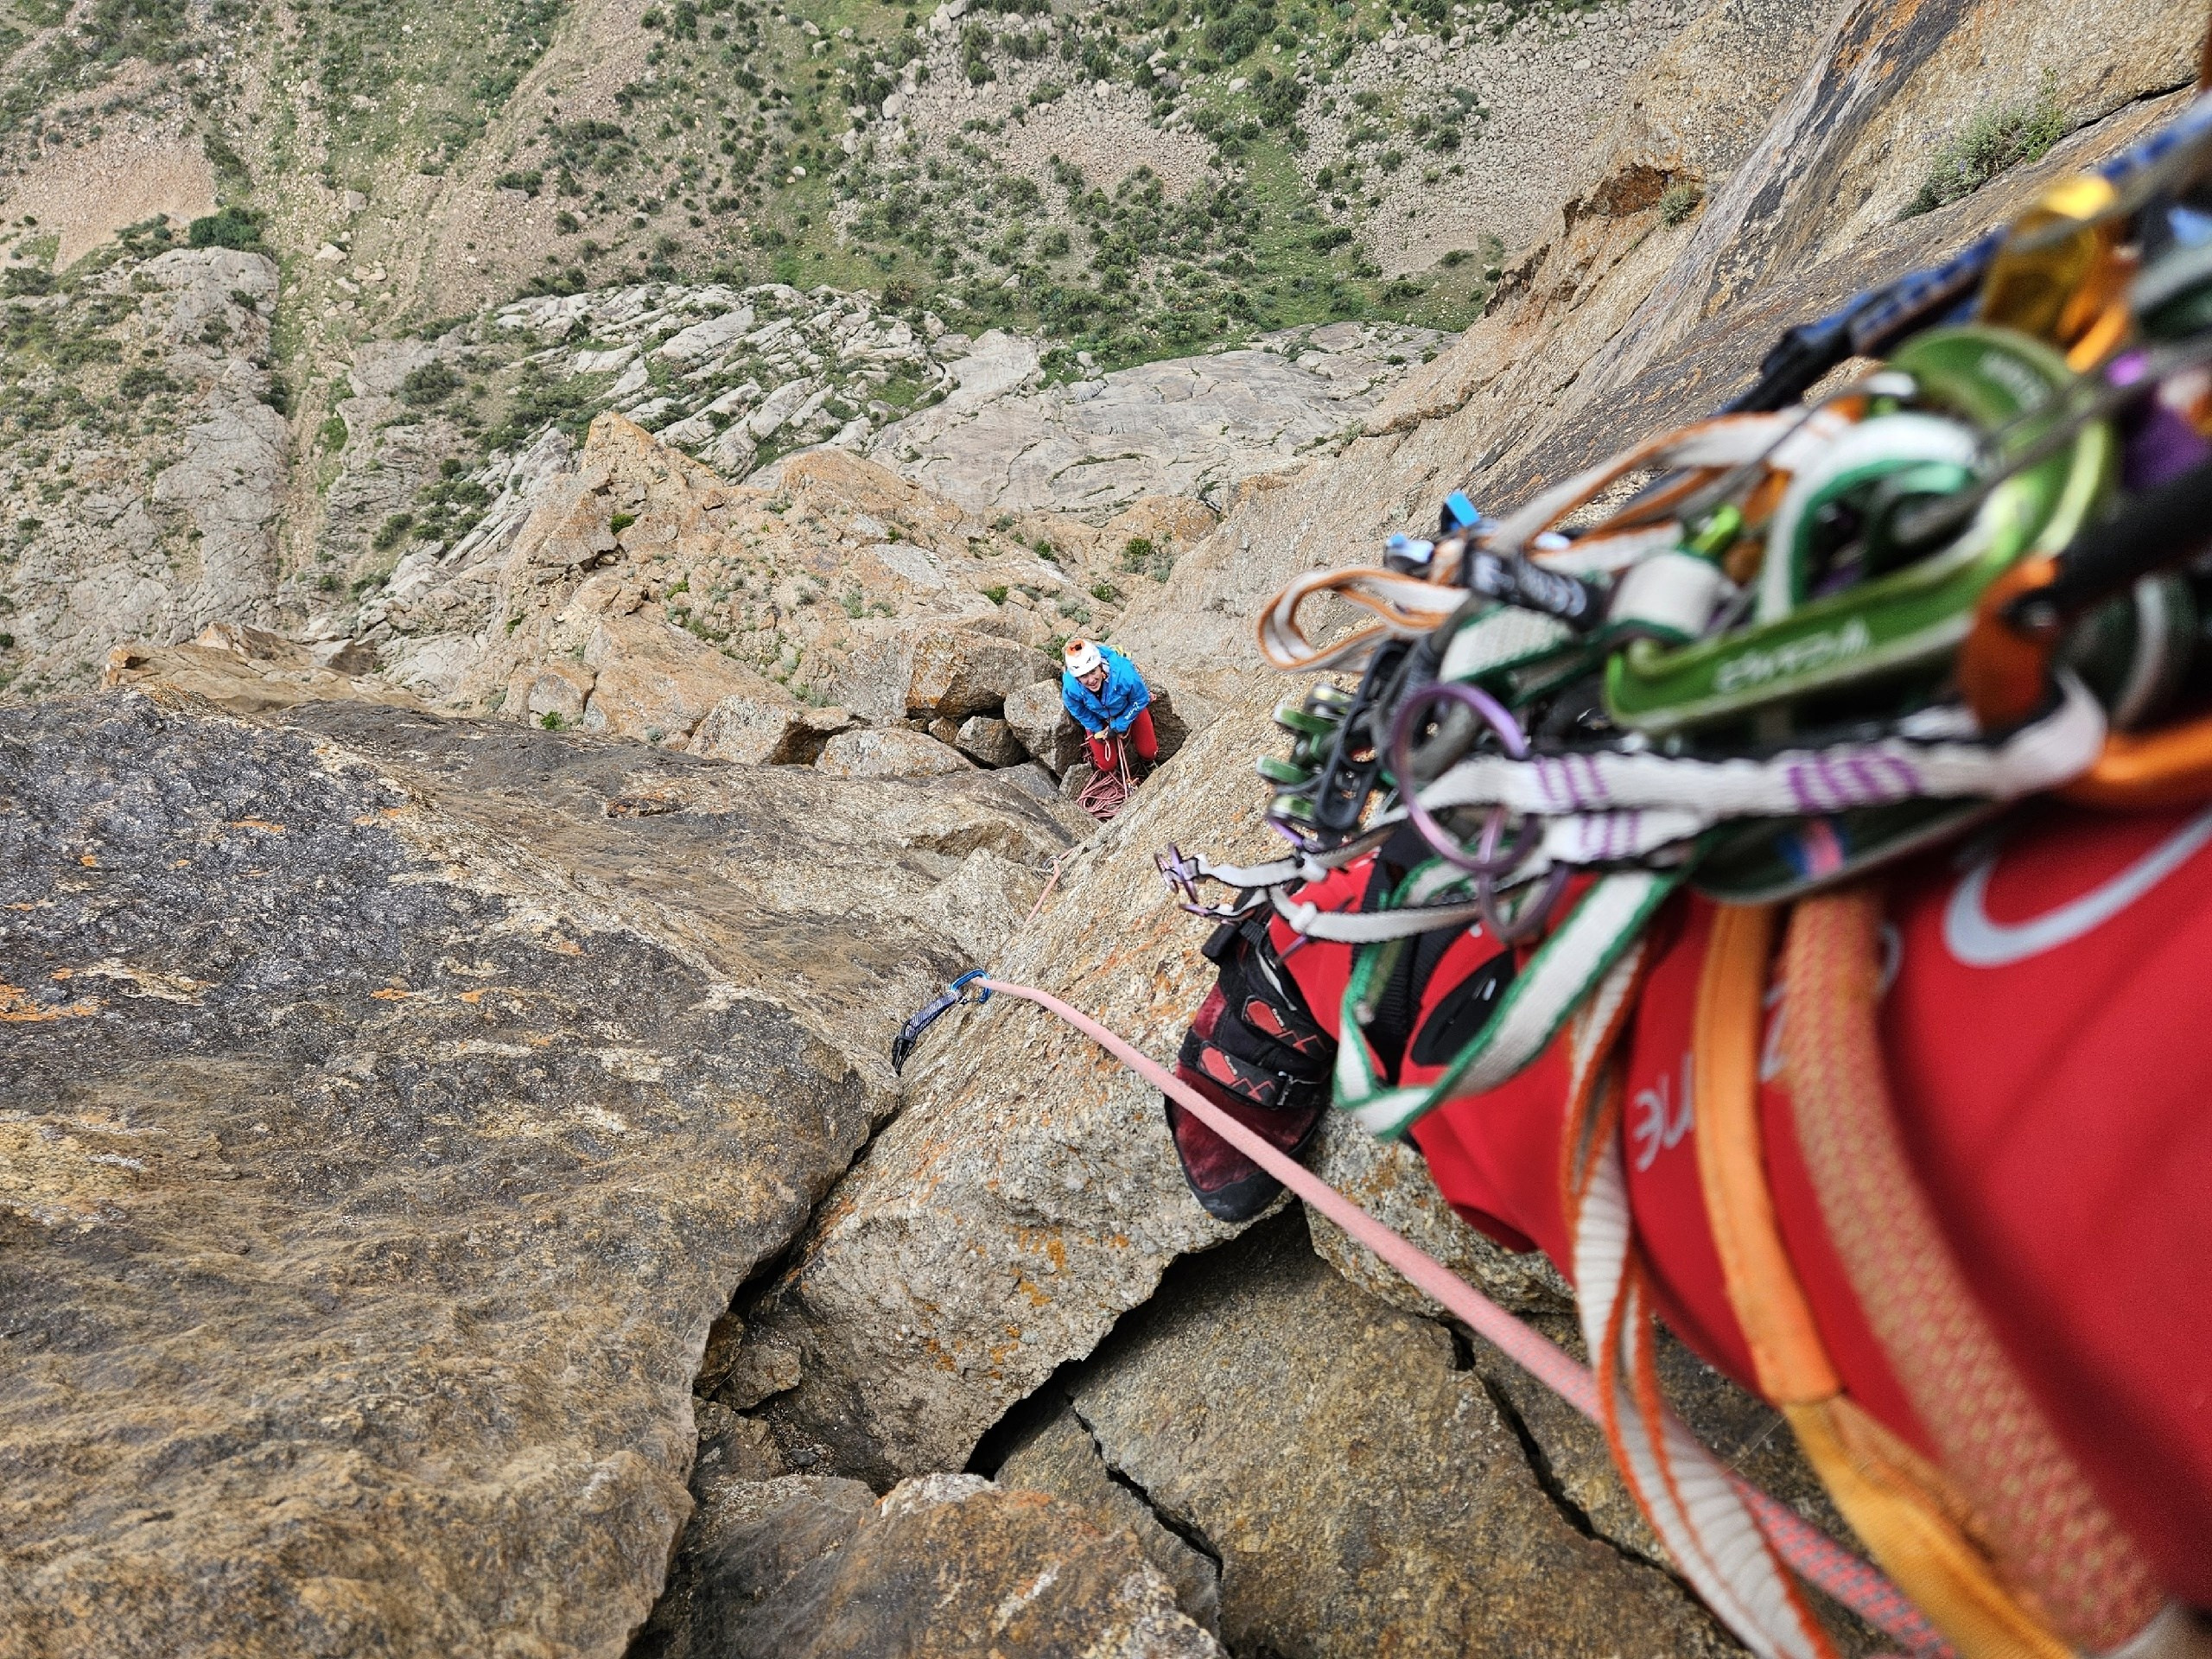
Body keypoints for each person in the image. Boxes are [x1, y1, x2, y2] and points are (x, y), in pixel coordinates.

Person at [1060, 639, 1157, 776]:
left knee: (1149, 752)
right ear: (1076, 678)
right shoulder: (1071, 687)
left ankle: (1147, 762)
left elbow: (1141, 699)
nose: (1091, 680)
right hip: (1099, 718)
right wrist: (1096, 728)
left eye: (1093, 671)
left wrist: (1118, 725)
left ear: (1100, 665)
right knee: (1107, 765)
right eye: (1084, 676)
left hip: (1128, 708)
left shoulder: (1124, 673)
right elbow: (1077, 709)